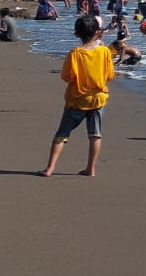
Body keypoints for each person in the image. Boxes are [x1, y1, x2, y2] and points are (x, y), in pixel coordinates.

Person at [40, 15, 113, 177]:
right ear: (97, 33)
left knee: (62, 134)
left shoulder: (75, 53)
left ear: (77, 34)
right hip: (98, 98)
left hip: (77, 98)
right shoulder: (105, 52)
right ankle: (91, 168)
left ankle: (50, 168)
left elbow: (66, 77)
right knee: (95, 134)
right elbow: (110, 75)